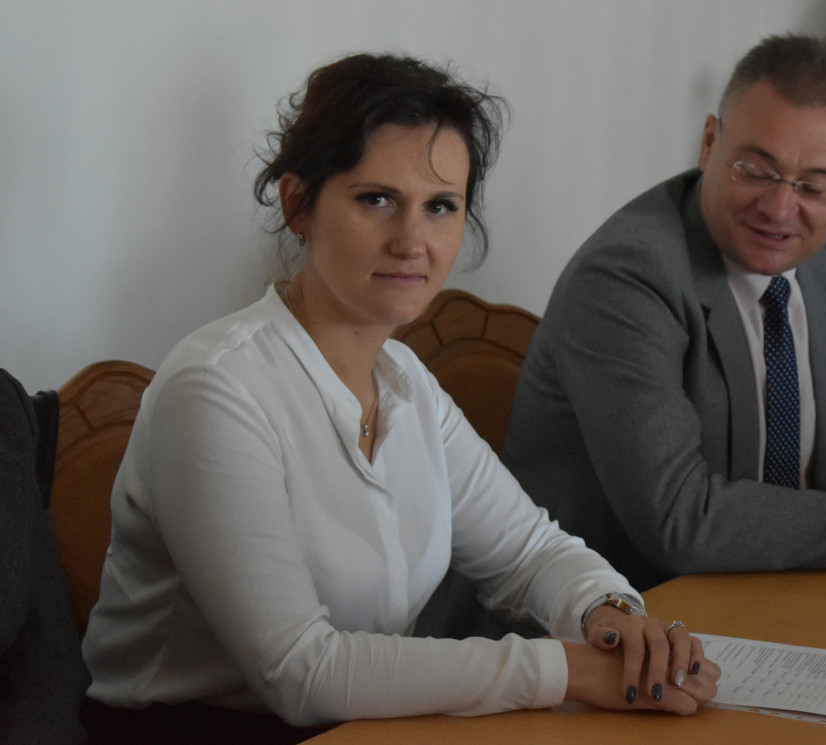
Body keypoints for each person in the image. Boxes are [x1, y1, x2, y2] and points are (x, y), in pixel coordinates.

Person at [79, 52, 718, 745]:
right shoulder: (214, 389)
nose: (413, 241)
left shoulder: (407, 382)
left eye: (440, 206)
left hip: (366, 725)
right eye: (376, 199)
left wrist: (610, 614)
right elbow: (300, 670)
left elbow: (529, 551)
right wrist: (567, 670)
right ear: (298, 205)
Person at [501, 33, 826, 592]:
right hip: (608, 614)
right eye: (756, 171)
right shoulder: (627, 278)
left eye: (813, 186)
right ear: (709, 144)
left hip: (771, 597)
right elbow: (679, 520)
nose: (779, 208)